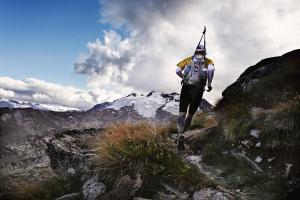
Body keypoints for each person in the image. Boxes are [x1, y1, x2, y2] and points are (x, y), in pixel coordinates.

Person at [175, 44, 215, 150]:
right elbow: (211, 70)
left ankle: (179, 133)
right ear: (204, 52)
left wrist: (183, 77)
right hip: (198, 89)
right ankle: (182, 135)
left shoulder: (188, 59)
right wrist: (209, 84)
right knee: (190, 114)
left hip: (186, 87)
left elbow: (177, 70)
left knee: (181, 113)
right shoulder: (208, 61)